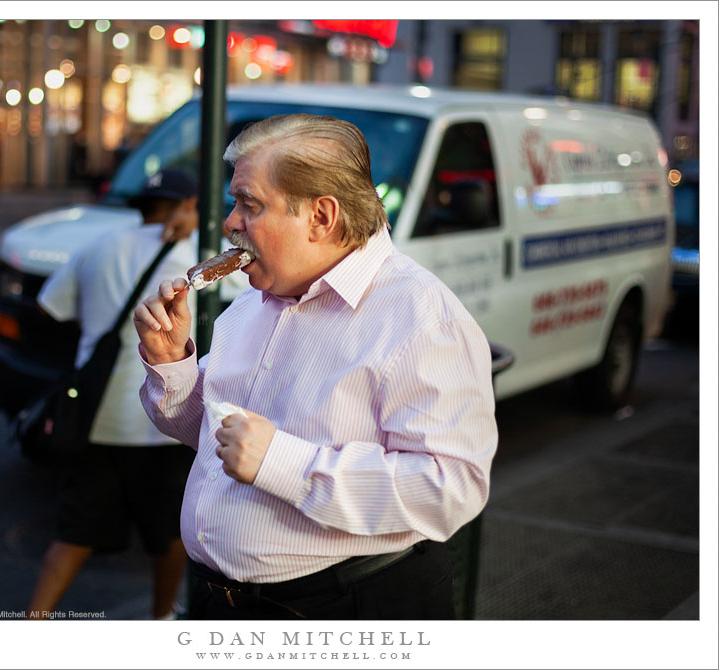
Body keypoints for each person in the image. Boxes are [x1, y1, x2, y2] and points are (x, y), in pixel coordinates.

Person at [133, 114, 499, 620]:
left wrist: (285, 464)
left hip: (347, 606)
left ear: (321, 217)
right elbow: (212, 435)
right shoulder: (251, 304)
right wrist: (172, 362)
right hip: (222, 602)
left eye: (249, 204)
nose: (230, 223)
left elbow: (452, 487)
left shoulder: (420, 318)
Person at [27, 169, 200, 620]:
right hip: (161, 422)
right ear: (187, 206)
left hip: (96, 417)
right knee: (168, 536)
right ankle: (162, 618)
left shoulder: (97, 247)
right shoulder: (190, 260)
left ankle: (33, 624)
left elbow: (51, 306)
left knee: (73, 534)